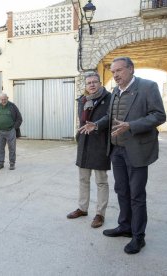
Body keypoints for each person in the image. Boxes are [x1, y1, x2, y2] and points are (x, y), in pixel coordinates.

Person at [80, 57, 166, 254]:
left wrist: (132, 126)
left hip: (137, 150)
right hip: (117, 150)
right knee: (122, 191)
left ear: (131, 69)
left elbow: (159, 115)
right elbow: (111, 117)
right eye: (113, 72)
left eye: (119, 70)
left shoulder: (148, 87)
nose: (116, 75)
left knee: (136, 195)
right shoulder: (116, 92)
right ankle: (125, 226)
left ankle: (138, 237)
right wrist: (98, 124)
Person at [66, 73, 111, 228]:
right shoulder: (83, 100)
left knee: (101, 181)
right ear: (85, 86)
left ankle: (100, 214)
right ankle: (83, 208)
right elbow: (81, 120)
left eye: (94, 82)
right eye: (89, 83)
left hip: (100, 143)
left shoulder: (109, 98)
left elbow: (110, 117)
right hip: (84, 143)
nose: (91, 85)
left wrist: (97, 125)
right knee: (83, 179)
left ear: (100, 83)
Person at [0, 93, 22, 170]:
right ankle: (1, 163)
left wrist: (14, 128)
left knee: (12, 148)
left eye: (5, 99)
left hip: (10, 131)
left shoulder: (12, 106)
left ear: (7, 98)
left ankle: (12, 164)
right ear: (0, 99)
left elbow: (19, 118)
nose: (3, 101)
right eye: (2, 99)